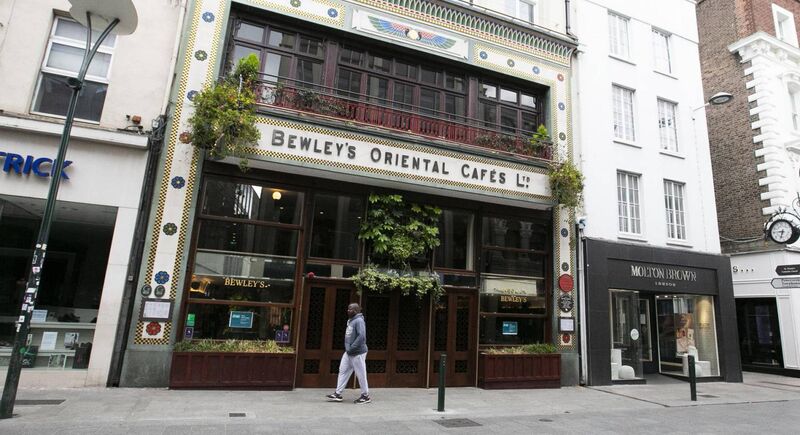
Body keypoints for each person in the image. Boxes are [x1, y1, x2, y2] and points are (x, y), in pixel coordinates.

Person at [326, 303, 370, 404]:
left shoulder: (359, 321)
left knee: (361, 374)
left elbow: (361, 336)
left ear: (355, 310)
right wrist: (348, 349)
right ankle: (338, 394)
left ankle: (365, 396)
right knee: (343, 371)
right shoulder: (351, 320)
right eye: (348, 309)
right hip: (349, 352)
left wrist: (352, 348)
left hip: (357, 352)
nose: (348, 311)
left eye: (350, 309)